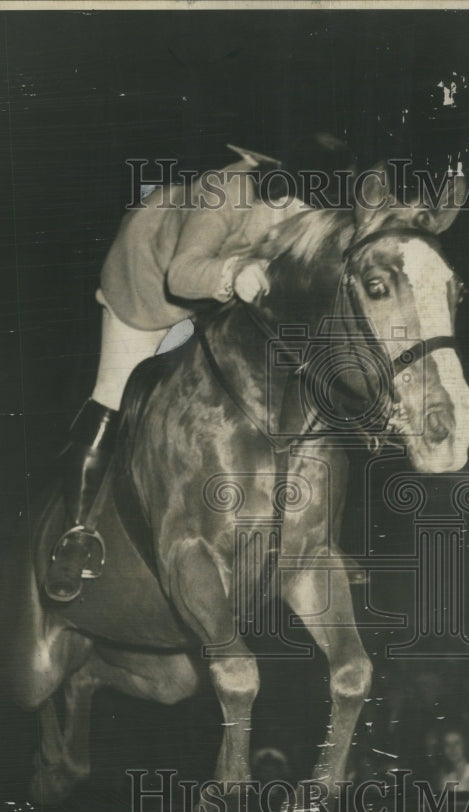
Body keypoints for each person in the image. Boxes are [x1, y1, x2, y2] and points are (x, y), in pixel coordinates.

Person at [44, 133, 358, 601]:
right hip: (147, 291)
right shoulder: (224, 193)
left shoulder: (301, 208)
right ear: (280, 191)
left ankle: (314, 540)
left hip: (215, 298)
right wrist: (232, 275)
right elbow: (182, 274)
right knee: (112, 398)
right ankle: (77, 533)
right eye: (305, 211)